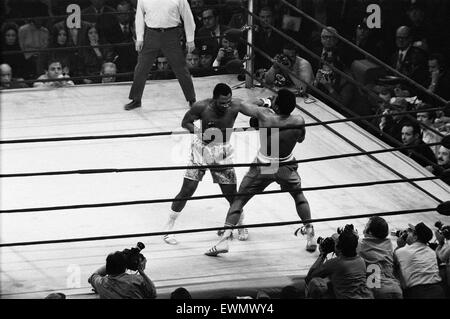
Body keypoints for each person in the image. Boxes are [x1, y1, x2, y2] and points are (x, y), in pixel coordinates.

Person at [204, 89, 317, 256]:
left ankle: (225, 240)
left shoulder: (266, 116)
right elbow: (300, 139)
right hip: (286, 164)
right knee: (298, 196)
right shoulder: (299, 120)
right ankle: (310, 235)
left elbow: (243, 105)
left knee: (239, 200)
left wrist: (264, 101)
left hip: (265, 165)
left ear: (277, 105)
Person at [163, 83, 250, 245]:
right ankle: (169, 228)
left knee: (231, 193)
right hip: (201, 149)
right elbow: (186, 122)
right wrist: (199, 133)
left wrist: (269, 108)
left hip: (222, 151)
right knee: (187, 189)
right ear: (214, 98)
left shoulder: (236, 105)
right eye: (222, 102)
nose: (226, 105)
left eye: (228, 101)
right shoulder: (201, 106)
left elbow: (255, 110)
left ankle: (241, 224)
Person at [124, 0, 197, 110]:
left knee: (180, 67)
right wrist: (139, 37)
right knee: (141, 67)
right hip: (151, 34)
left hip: (171, 34)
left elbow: (187, 16)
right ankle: (136, 99)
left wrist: (190, 38)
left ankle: (192, 99)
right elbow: (139, 17)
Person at [305, 225, 374, 299]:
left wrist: (323, 255)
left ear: (338, 247)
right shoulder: (361, 260)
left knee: (315, 284)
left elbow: (309, 277)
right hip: (368, 296)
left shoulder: (335, 263)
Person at [394, 222, 445, 299]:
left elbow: (391, 267)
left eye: (410, 232)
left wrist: (399, 246)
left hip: (418, 293)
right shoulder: (431, 252)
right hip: (438, 291)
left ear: (415, 237)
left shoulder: (402, 251)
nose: (407, 233)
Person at [358, 216, 403, 299]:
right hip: (395, 287)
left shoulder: (361, 244)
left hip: (377, 289)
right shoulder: (388, 244)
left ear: (370, 232)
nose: (364, 228)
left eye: (366, 226)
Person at [88, 251, 157, 299]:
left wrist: (113, 261)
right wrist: (141, 272)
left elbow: (92, 277)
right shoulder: (137, 280)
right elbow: (153, 294)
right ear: (124, 267)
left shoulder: (100, 283)